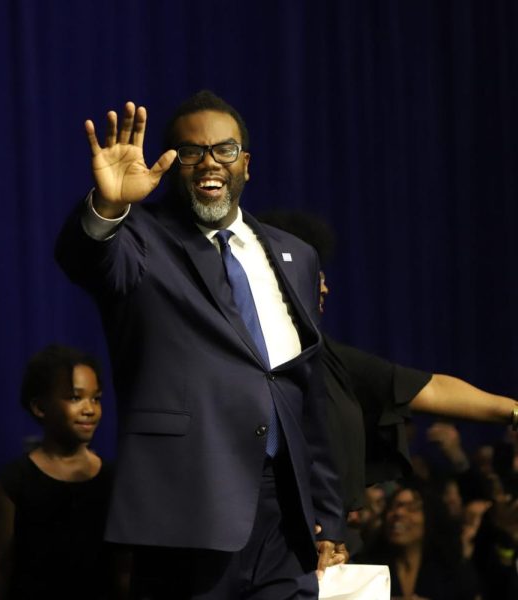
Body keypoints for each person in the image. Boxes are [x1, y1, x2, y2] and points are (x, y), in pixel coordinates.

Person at [54, 90, 346, 598]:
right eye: (192, 152)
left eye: (224, 150)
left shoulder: (294, 255)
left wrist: (327, 511)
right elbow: (87, 260)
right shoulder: (141, 240)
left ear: (245, 164)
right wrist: (107, 206)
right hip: (188, 508)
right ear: (172, 165)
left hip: (284, 516)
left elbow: (304, 391)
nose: (209, 162)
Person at [256, 210, 518, 515]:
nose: (326, 289)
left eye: (324, 276)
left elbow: (431, 388)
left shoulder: (329, 357)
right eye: (315, 277)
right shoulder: (245, 359)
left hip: (327, 547)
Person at [0, 345, 118, 599]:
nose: (89, 409)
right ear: (39, 407)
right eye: (75, 398)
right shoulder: (16, 479)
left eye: (96, 398)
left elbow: (121, 570)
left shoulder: (111, 479)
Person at [358, 481, 479, 600]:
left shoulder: (454, 569)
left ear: (430, 517)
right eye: (393, 507)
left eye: (412, 508)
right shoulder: (367, 567)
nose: (398, 513)